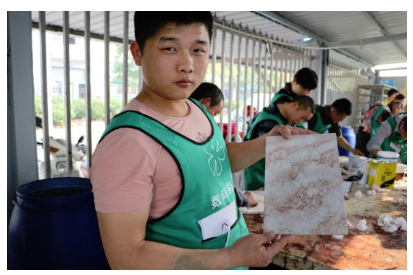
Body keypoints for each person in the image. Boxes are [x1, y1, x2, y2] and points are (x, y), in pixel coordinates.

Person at [90, 12, 313, 270]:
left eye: (197, 50)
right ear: (138, 52)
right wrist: (231, 257)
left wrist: (267, 143)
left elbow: (215, 159)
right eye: (170, 48)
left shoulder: (197, 108)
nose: (187, 65)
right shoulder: (127, 143)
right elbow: (126, 258)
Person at [190, 82, 258, 208]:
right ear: (205, 103)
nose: (213, 119)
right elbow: (211, 180)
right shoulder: (199, 133)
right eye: (215, 113)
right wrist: (243, 198)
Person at [244, 96, 316, 191]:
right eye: (303, 117)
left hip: (269, 172)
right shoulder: (269, 122)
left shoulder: (281, 115)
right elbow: (276, 155)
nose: (301, 121)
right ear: (294, 105)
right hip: (259, 174)